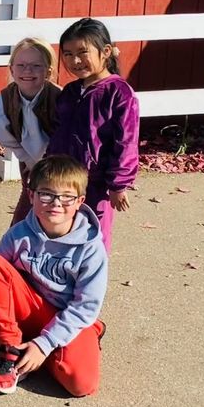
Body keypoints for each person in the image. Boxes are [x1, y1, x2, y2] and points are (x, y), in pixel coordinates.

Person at [0, 156, 108, 397]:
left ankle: (47, 347)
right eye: (46, 194)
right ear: (31, 195)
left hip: (65, 315)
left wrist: (43, 345)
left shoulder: (91, 247)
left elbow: (86, 304)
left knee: (81, 385)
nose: (56, 203)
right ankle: (10, 351)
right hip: (29, 309)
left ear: (79, 201)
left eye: (66, 196)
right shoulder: (18, 235)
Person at [46, 19, 139, 253]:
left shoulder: (119, 93)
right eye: (67, 54)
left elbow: (126, 142)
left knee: (92, 234)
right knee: (59, 228)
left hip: (96, 183)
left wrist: (118, 185)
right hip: (64, 178)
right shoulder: (70, 92)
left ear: (106, 51)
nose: (75, 61)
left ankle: (90, 284)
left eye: (82, 52)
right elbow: (57, 132)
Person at [0, 38, 62, 225]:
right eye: (21, 65)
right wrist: (29, 160)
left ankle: (56, 244)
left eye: (36, 65)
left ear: (48, 71)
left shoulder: (59, 98)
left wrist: (50, 161)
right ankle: (15, 243)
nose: (27, 71)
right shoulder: (5, 100)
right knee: (29, 197)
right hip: (27, 158)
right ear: (11, 68)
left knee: (56, 204)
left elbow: (66, 132)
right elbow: (3, 135)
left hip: (59, 160)